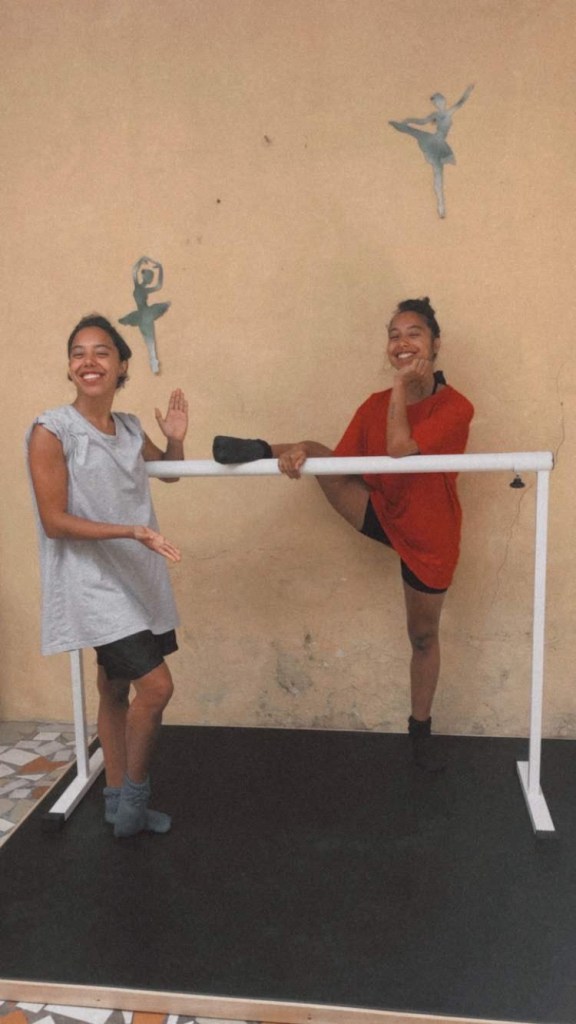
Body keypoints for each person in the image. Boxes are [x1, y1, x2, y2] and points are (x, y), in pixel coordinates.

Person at [213, 297, 473, 771]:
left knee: (421, 636)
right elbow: (341, 461)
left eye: (413, 333)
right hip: (382, 510)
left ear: (436, 343)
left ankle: (420, 729)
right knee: (313, 451)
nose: (402, 342)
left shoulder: (457, 407)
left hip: (430, 534)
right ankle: (260, 449)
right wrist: (303, 456)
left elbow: (399, 449)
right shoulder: (374, 406)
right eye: (394, 335)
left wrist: (401, 386)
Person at [27, 314, 188, 836]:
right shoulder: (52, 430)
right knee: (156, 689)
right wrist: (132, 531)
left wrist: (177, 440)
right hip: (93, 583)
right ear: (70, 367)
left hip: (136, 576)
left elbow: (170, 470)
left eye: (101, 352)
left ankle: (116, 798)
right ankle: (136, 803)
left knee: (114, 690)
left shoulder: (131, 427)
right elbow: (54, 522)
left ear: (121, 366)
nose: (88, 361)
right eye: (79, 352)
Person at [389, 85, 474, 218]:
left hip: (439, 144)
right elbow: (421, 121)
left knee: (438, 174)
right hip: (433, 141)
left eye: (441, 101)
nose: (439, 104)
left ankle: (441, 206)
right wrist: (408, 120)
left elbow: (461, 102)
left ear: (444, 102)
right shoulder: (435, 114)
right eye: (437, 102)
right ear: (435, 104)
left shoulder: (448, 112)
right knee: (414, 131)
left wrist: (469, 90)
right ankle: (395, 124)